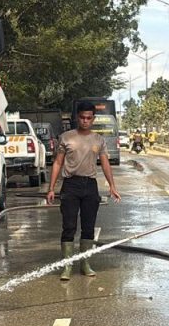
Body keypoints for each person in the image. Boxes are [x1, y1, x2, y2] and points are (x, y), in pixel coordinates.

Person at [46, 101, 121, 280]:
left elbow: (104, 163)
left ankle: (85, 263)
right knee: (69, 226)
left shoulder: (99, 140)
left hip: (90, 186)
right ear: (77, 118)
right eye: (82, 117)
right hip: (70, 185)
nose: (85, 121)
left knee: (88, 227)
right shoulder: (66, 137)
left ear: (93, 119)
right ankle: (67, 265)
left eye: (89, 118)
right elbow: (57, 162)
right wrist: (51, 188)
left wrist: (112, 186)